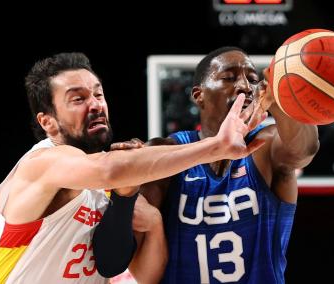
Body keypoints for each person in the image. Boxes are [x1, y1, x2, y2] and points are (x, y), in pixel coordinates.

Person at [0, 52, 266, 283]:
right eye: (78, 99)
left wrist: (143, 214)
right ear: (48, 122)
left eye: (98, 94)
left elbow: (126, 270)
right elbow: (108, 169)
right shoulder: (41, 164)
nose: (95, 105)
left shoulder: (110, 185)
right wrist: (215, 147)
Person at [133, 46, 320, 283]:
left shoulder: (266, 145)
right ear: (198, 95)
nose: (245, 86)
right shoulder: (166, 152)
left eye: (253, 80)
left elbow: (304, 150)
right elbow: (132, 257)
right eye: (229, 77)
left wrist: (281, 95)